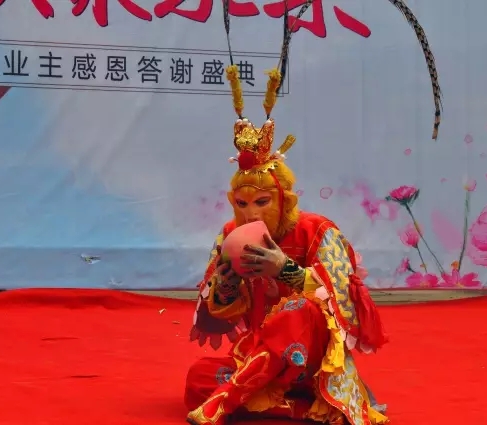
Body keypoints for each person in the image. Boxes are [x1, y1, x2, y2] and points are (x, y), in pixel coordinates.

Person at [184, 3, 442, 424]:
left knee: (296, 313)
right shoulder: (230, 233)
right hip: (260, 357)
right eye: (242, 204)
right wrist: (226, 286)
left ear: (284, 198)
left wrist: (285, 270)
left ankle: (228, 401)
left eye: (262, 202)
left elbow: (346, 308)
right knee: (196, 377)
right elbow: (216, 318)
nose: (250, 213)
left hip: (313, 358)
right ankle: (298, 407)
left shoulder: (318, 231)